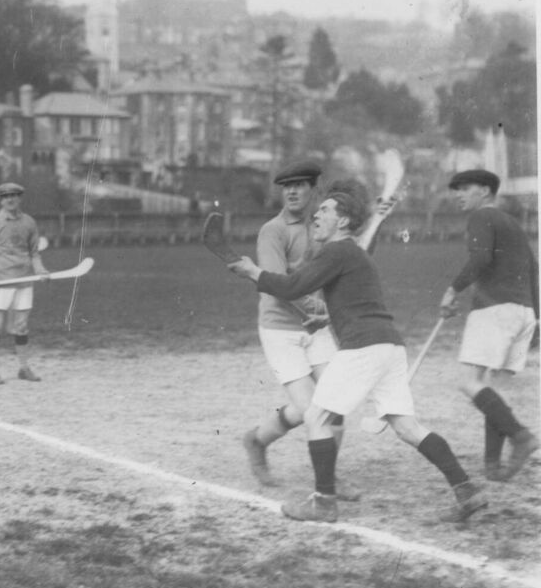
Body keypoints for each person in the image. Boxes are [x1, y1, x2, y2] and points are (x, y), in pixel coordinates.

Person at [228, 185, 487, 525]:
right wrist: (328, 316)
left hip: (364, 347)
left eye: (325, 211)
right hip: (389, 346)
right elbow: (359, 302)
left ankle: (323, 503)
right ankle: (466, 491)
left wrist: (254, 273)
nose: (316, 215)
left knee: (317, 417)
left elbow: (292, 288)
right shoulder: (352, 254)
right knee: (408, 428)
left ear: (344, 221)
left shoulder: (336, 252)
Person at [239, 162, 356, 497]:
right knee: (314, 410)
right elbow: (278, 285)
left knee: (335, 399)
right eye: (286, 186)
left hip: (315, 327)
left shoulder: (321, 225)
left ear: (313, 189)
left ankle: (327, 476)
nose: (291, 191)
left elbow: (346, 258)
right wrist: (317, 308)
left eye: (299, 185)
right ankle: (258, 442)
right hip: (280, 329)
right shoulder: (272, 232)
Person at [440, 168, 540, 481]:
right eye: (455, 189)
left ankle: (521, 436)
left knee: (469, 382)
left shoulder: (481, 218)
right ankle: (493, 465)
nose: (458, 195)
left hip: (494, 310)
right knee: (494, 389)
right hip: (522, 312)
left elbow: (480, 259)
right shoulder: (513, 224)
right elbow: (534, 270)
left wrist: (452, 289)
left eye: (464, 188)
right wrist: (537, 318)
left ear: (485, 191)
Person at [0, 181, 47, 383]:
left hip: (24, 282)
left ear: (20, 198)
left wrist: (40, 269)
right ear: (1, 200)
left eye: (14, 195)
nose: (10, 199)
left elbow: (34, 252)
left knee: (21, 326)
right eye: (6, 197)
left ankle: (23, 369)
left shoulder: (29, 222)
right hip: (2, 283)